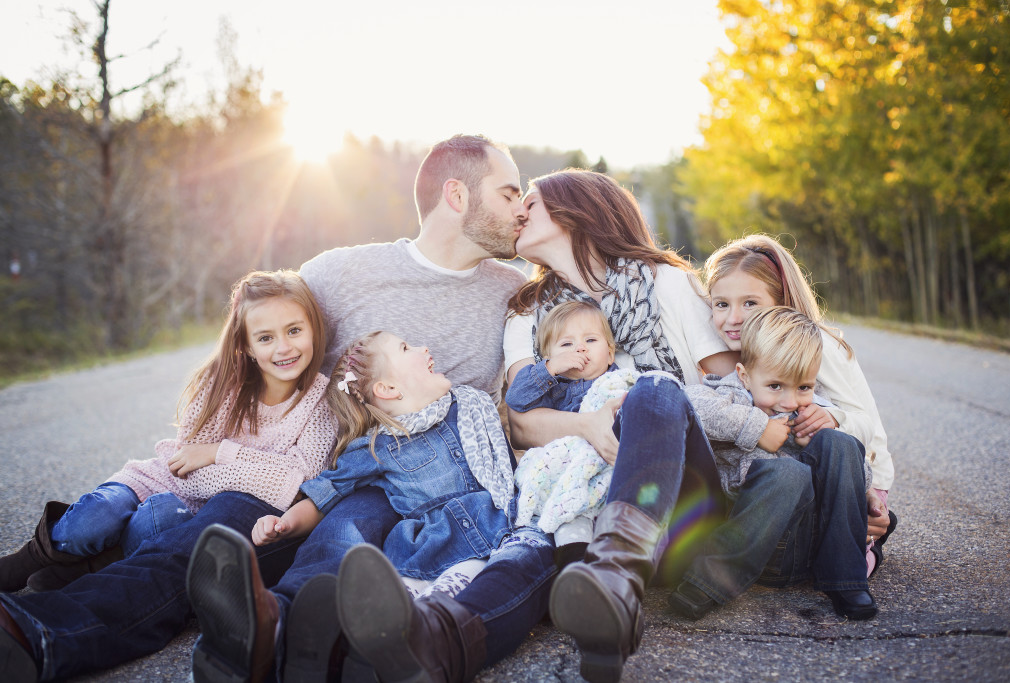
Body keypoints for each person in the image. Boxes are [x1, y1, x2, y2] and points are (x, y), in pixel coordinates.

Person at [0, 134, 536, 683]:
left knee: (344, 528)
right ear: (456, 194)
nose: (522, 208)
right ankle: (36, 631)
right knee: (214, 527)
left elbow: (576, 347)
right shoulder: (341, 273)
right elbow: (265, 331)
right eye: (509, 192)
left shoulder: (515, 292)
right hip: (324, 476)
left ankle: (276, 630)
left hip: (425, 492)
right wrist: (225, 443)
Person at [503, 169, 736, 683]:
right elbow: (521, 423)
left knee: (652, 387)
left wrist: (643, 409)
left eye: (532, 203)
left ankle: (614, 572)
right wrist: (589, 424)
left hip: (685, 507)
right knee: (647, 390)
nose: (518, 211)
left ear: (574, 212)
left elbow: (730, 390)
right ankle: (615, 586)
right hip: (586, 508)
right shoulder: (528, 314)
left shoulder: (667, 284)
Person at [189, 331, 516, 681]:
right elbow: (326, 492)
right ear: (387, 389)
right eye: (406, 347)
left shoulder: (471, 407)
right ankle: (288, 641)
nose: (424, 348)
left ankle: (371, 651)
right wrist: (284, 523)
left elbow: (507, 461)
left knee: (448, 595)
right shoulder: (376, 447)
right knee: (417, 593)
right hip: (428, 547)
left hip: (491, 531)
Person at [0, 270, 336, 593]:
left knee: (161, 520)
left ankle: (89, 568)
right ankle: (33, 558)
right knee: (91, 522)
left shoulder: (321, 403)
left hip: (186, 516)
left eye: (294, 330)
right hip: (156, 480)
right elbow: (189, 472)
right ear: (246, 345)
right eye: (265, 338)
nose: (284, 348)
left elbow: (295, 485)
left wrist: (218, 452)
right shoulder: (221, 383)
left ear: (313, 328)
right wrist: (254, 470)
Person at [696, 234, 897, 575]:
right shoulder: (731, 353)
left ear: (781, 302)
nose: (734, 318)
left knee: (846, 544)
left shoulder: (812, 345)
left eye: (750, 304)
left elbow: (868, 424)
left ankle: (869, 546)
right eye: (722, 304)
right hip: (782, 479)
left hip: (860, 474)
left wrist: (831, 417)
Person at [672, 306, 876, 620]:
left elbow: (850, 471)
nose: (790, 402)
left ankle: (847, 580)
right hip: (757, 545)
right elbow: (685, 404)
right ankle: (709, 580)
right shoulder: (728, 397)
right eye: (775, 386)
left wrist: (832, 444)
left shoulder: (810, 412)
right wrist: (756, 427)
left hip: (810, 551)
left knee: (839, 442)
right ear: (744, 375)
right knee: (787, 472)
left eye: (804, 388)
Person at [505, 300, 637, 553]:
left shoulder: (617, 381)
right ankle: (573, 558)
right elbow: (516, 399)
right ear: (548, 359)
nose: (579, 349)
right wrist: (550, 370)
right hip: (568, 467)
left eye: (590, 341)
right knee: (568, 512)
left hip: (609, 464)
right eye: (566, 345)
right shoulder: (551, 387)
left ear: (610, 353)